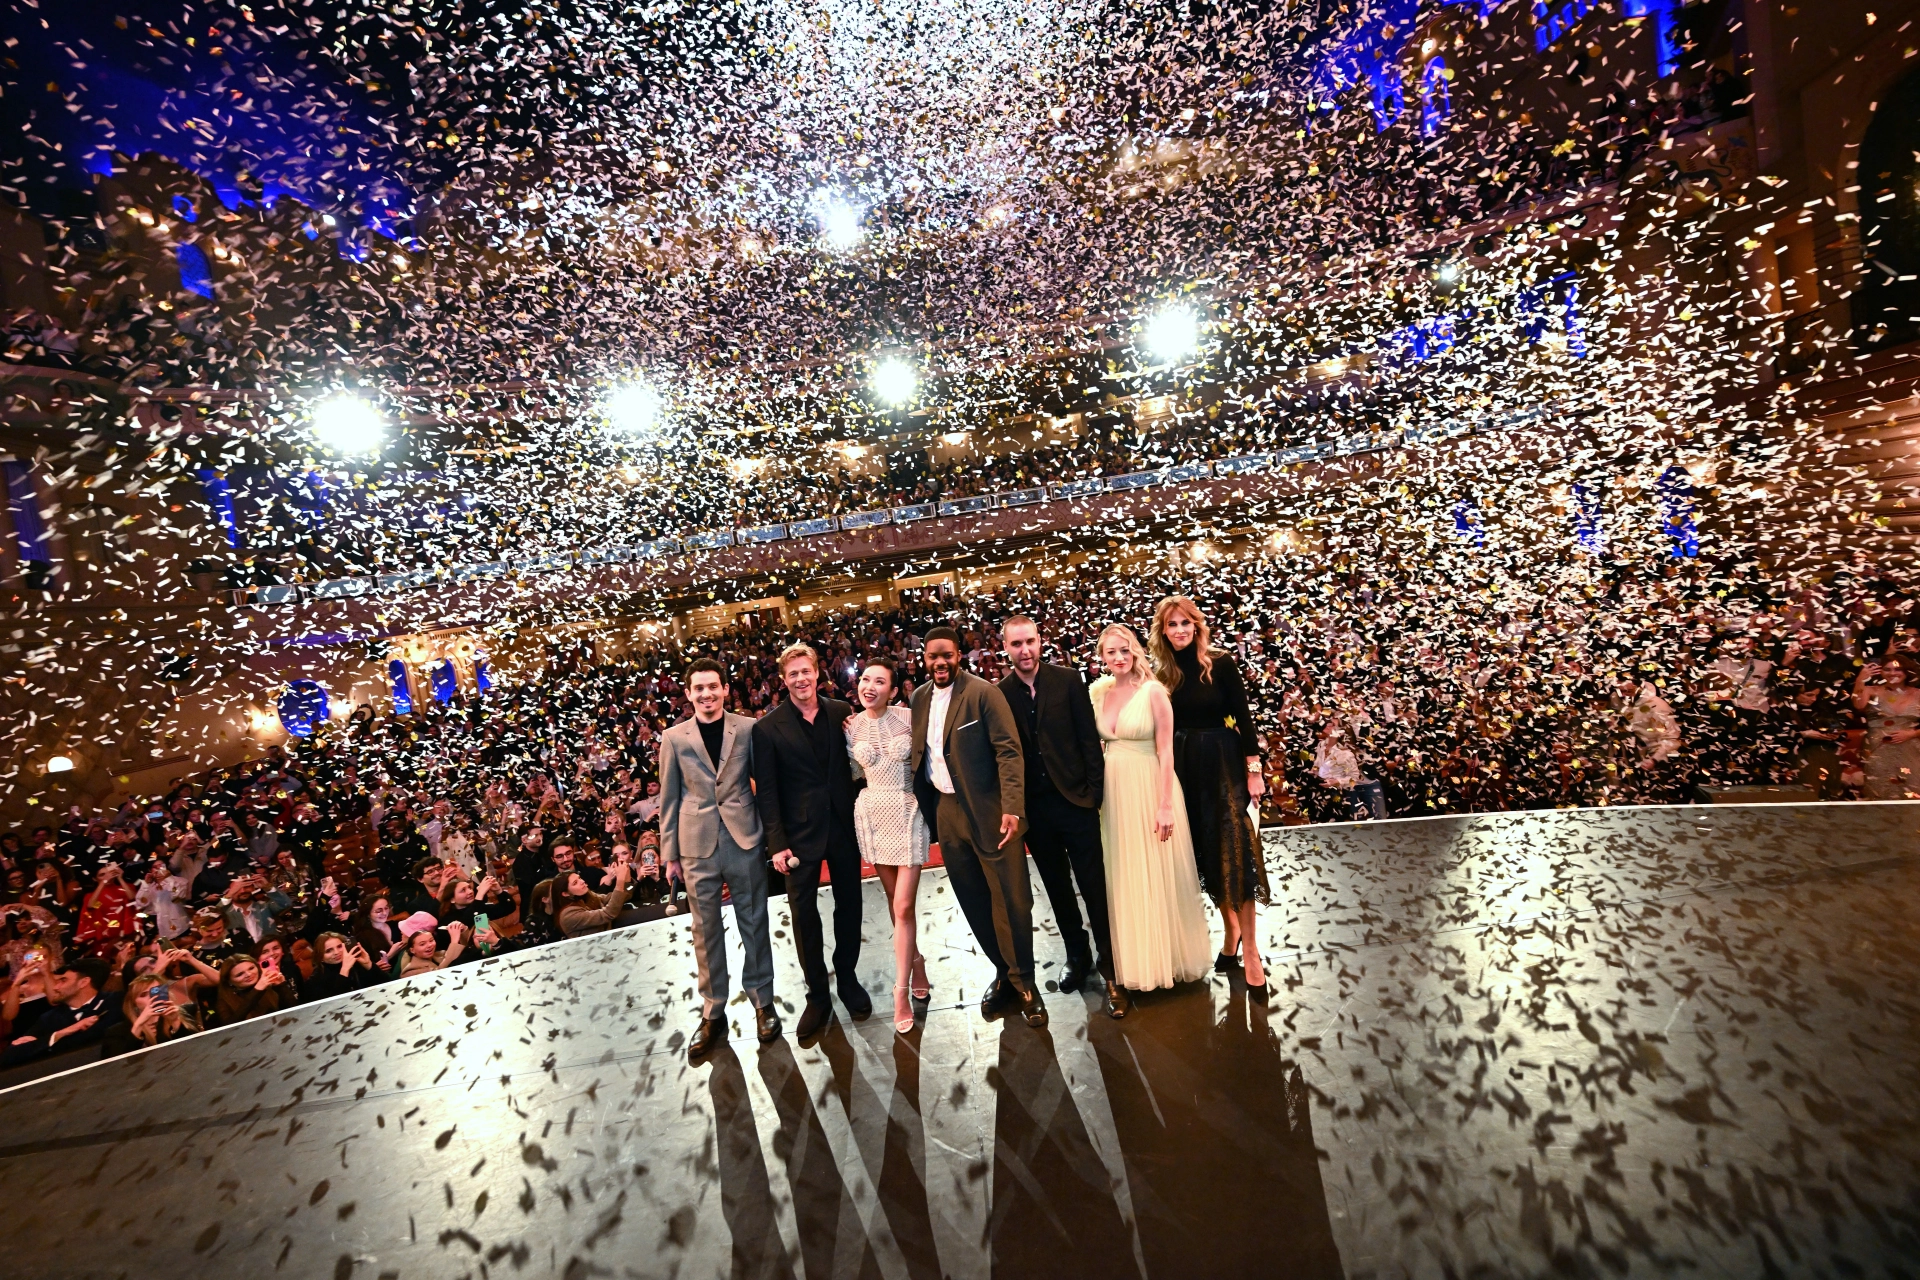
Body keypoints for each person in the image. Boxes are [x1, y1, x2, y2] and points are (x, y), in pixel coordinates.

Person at [909, 626, 1044, 1027]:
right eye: (933, 656)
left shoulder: (984, 693)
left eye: (947, 655)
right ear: (925, 658)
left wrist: (1013, 808)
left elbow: (1009, 751)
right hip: (947, 813)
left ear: (959, 655)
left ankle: (1025, 983)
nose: (940, 662)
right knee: (973, 900)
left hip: (991, 811)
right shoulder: (918, 699)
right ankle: (1003, 974)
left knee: (1013, 901)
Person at [998, 615, 1128, 1018]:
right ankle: (1079, 957)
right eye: (1016, 644)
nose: (1024, 650)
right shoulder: (999, 693)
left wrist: (1094, 795)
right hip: (1036, 812)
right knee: (1057, 890)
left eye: (1030, 641)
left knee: (1094, 888)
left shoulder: (1068, 680)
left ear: (1041, 642)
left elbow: (1089, 741)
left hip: (1077, 803)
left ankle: (1112, 969)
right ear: (1006, 648)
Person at [660, 658, 781, 1060]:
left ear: (725, 689)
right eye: (699, 688)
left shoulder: (747, 728)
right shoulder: (674, 738)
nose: (707, 694)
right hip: (696, 845)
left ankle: (763, 1002)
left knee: (754, 921)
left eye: (713, 686)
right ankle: (713, 1013)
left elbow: (765, 783)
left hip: (744, 837)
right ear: (689, 692)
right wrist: (669, 853)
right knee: (705, 931)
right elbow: (669, 798)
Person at [1150, 596, 1271, 992]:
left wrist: (1254, 771)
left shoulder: (1219, 663)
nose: (1180, 630)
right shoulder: (1161, 673)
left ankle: (1250, 949)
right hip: (1185, 768)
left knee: (1237, 854)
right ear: (1163, 631)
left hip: (1224, 763)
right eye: (1172, 625)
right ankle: (1230, 931)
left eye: (1186, 623)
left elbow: (1244, 716)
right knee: (1205, 854)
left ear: (1196, 625)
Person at [751, 642, 871, 1039]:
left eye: (806, 671)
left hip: (842, 825)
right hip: (797, 837)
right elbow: (766, 792)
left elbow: (856, 769)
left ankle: (848, 978)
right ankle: (818, 995)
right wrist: (777, 844)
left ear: (818, 673)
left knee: (849, 905)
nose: (801, 679)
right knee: (804, 918)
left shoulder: (840, 712)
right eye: (792, 674)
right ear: (783, 680)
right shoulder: (767, 728)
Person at [1090, 624, 1213, 993]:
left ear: (1137, 652)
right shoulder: (1099, 693)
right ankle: (1136, 963)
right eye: (1111, 652)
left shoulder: (1154, 692)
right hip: (1115, 795)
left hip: (1150, 788)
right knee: (1126, 875)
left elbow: (1166, 751)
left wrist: (1164, 806)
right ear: (1102, 657)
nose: (1119, 658)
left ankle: (1169, 960)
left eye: (1125, 650)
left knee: (1157, 874)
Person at [845, 658, 930, 1034]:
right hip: (873, 816)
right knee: (898, 910)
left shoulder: (910, 718)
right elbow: (849, 772)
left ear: (893, 690)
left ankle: (900, 993)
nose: (870, 686)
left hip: (908, 811)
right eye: (865, 679)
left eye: (880, 681)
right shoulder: (850, 727)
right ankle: (918, 961)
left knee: (904, 905)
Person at [1854, 654, 1920, 800]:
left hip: (1911, 748)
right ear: (1881, 672)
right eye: (1887, 669)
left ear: (1906, 672)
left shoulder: (1918, 694)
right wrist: (1860, 680)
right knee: (1878, 789)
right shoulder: (1871, 690)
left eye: (1898, 670)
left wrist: (1912, 734)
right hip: (1877, 747)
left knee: (1912, 790)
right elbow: (1858, 705)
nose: (1892, 673)